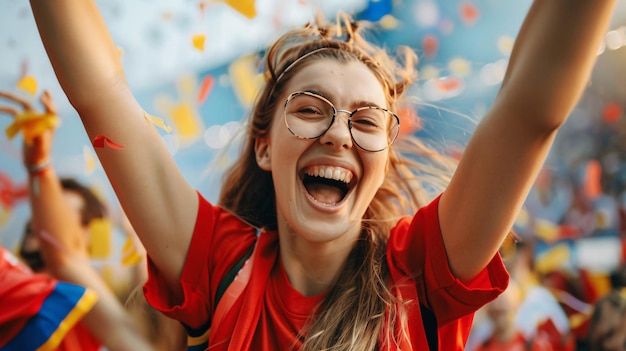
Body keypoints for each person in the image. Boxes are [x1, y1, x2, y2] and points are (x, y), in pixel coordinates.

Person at [27, 0, 618, 349]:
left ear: (386, 152)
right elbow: (102, 93)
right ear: (264, 146)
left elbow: (528, 113)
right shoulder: (221, 265)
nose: (337, 133)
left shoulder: (422, 272)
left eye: (366, 121)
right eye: (310, 110)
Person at [0, 89, 174, 351]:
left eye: (61, 217)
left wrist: (136, 238)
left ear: (86, 238)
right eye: (41, 212)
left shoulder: (91, 314)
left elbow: (153, 339)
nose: (40, 223)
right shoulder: (13, 280)